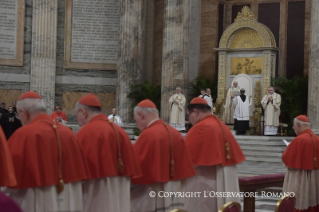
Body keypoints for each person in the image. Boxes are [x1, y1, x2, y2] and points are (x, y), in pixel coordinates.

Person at [4, 91, 89, 212]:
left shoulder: (23, 135)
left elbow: (8, 180)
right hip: (68, 200)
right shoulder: (69, 134)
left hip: (35, 199)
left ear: (23, 113)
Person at [75, 93, 142, 212]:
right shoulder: (120, 132)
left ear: (83, 112)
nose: (79, 122)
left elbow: (76, 173)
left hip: (95, 191)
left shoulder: (86, 132)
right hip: (120, 192)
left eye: (77, 117)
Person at [131, 99, 196, 212]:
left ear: (141, 115)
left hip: (150, 194)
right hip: (175, 192)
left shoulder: (148, 135)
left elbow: (135, 168)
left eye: (136, 120)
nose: (137, 126)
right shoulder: (176, 133)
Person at [184, 97, 245, 212]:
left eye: (189, 116)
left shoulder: (200, 128)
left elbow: (184, 160)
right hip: (221, 184)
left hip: (203, 185)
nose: (189, 119)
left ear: (196, 112)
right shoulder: (221, 125)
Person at [282, 115, 319, 212]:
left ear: (298, 125)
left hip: (299, 178)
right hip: (314, 178)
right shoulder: (317, 139)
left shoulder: (298, 140)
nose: (294, 129)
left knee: (299, 201)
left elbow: (286, 158)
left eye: (294, 127)